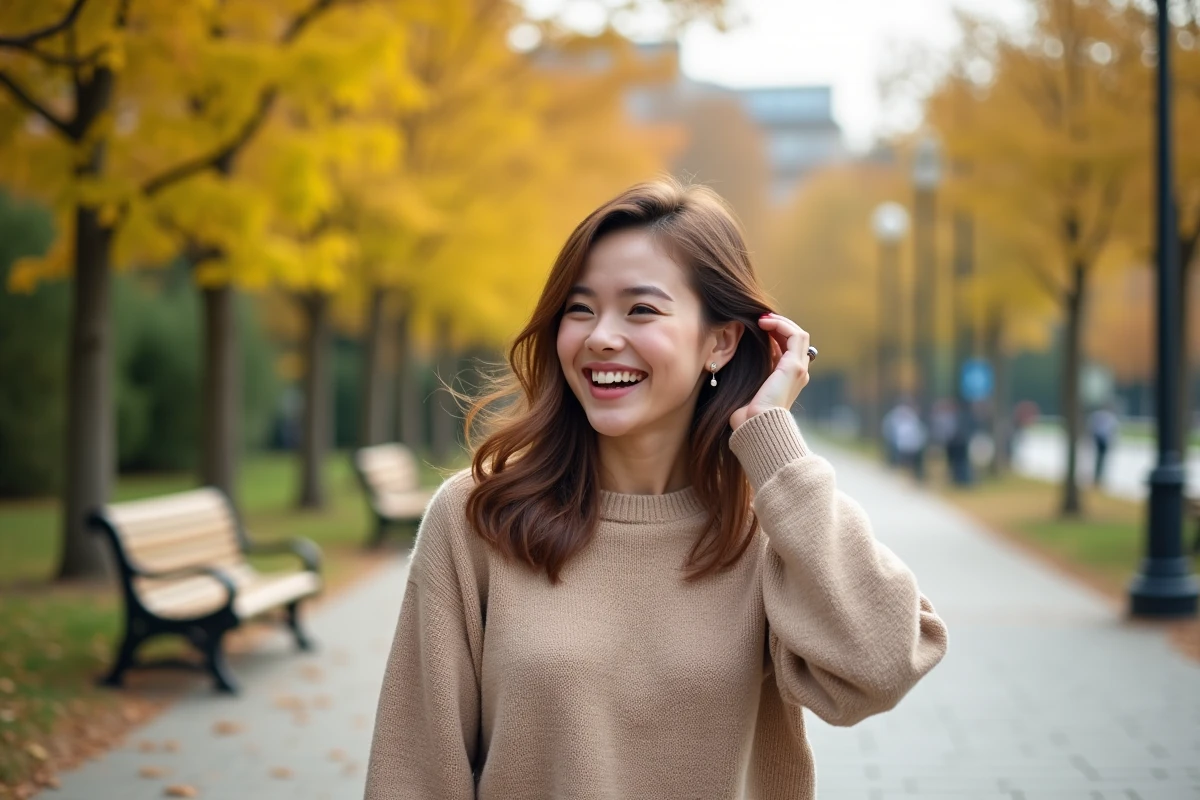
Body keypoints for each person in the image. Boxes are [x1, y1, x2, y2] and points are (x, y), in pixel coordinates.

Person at [364, 178, 949, 799]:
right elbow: (415, 773)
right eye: (579, 308)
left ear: (720, 342)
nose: (600, 336)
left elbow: (882, 666)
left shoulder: (772, 528)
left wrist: (773, 445)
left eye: (640, 309)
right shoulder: (478, 517)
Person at [1089, 404, 1119, 486]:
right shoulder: (1109, 417)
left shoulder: (1098, 415)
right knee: (1100, 460)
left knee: (1100, 460)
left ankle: (1098, 477)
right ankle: (1098, 477)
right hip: (1101, 440)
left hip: (1101, 440)